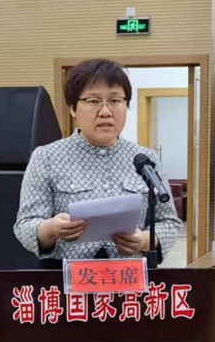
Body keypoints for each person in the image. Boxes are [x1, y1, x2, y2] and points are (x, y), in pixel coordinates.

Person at [14, 58, 181, 268]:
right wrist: (51, 229)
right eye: (93, 101)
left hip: (129, 276)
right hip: (66, 277)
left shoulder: (145, 158)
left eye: (115, 101)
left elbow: (169, 221)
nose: (105, 112)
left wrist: (145, 240)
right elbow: (25, 225)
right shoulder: (46, 157)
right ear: (73, 108)